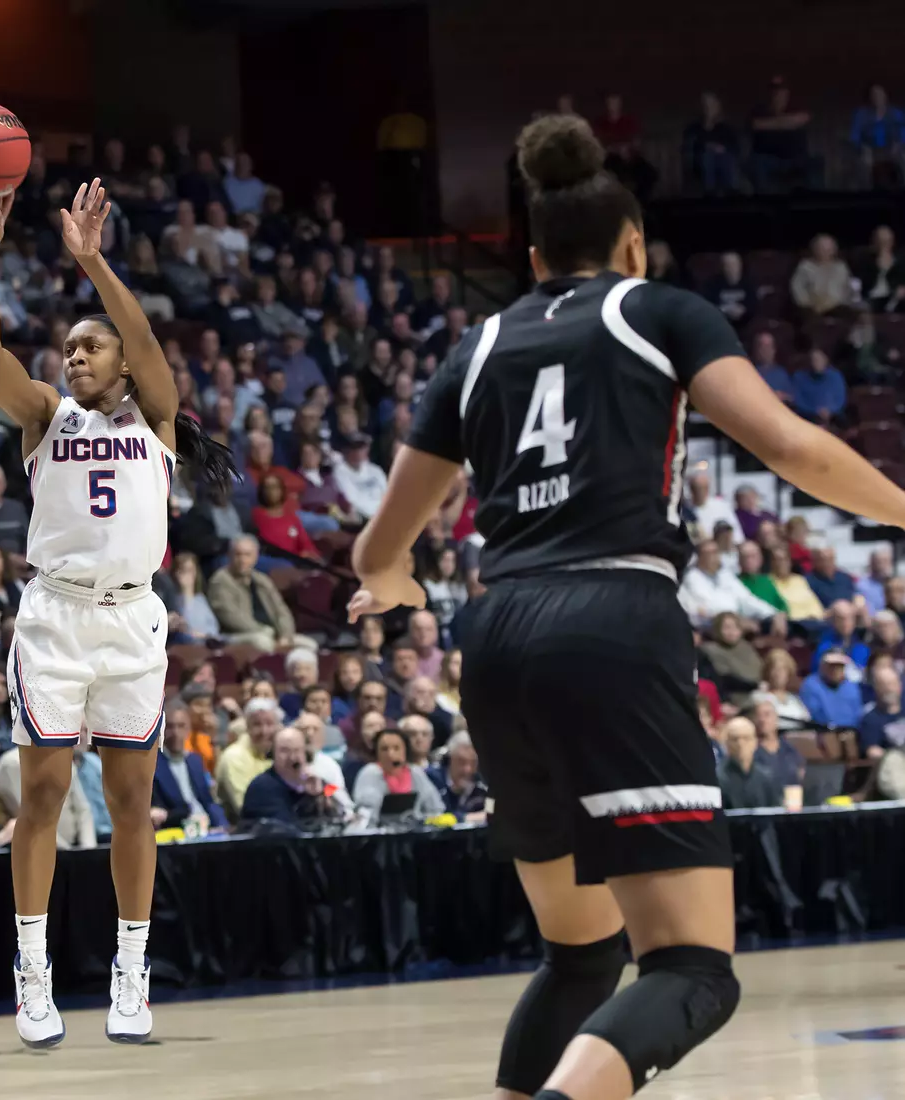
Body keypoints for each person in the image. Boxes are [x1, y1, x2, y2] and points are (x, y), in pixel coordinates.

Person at [344, 114, 905, 1100]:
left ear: (531, 257)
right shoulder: (660, 310)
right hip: (611, 618)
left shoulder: (475, 346)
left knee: (581, 954)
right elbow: (790, 446)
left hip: (499, 631)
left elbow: (377, 551)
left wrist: (390, 582)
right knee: (693, 968)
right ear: (634, 246)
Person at [0, 181, 240, 1047]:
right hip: (55, 617)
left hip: (131, 623)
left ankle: (131, 968)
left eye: (91, 347)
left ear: (120, 364)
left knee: (131, 800)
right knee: (42, 793)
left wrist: (92, 262)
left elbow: (149, 337)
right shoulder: (46, 415)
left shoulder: (155, 416)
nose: (74, 355)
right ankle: (34, 972)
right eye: (70, 346)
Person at [151, 703, 227, 833]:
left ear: (188, 730)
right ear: (161, 730)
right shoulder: (153, 765)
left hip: (206, 828)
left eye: (181, 726)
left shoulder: (195, 761)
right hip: (177, 831)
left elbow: (208, 802)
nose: (176, 733)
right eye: (170, 726)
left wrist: (223, 826)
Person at [716, 717, 782, 810]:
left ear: (755, 742)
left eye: (746, 738)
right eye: (735, 739)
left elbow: (776, 816)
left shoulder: (766, 777)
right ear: (726, 743)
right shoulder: (717, 778)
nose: (740, 744)